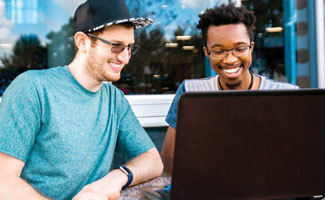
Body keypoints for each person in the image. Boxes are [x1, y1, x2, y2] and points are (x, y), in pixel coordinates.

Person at [0, 0, 163, 199]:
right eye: (116, 46)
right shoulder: (32, 89)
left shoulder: (115, 100)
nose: (125, 58)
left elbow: (153, 160)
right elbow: (3, 181)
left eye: (129, 47)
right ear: (82, 42)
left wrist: (114, 179)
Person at [160, 3, 299, 175]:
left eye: (240, 48)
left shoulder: (286, 95)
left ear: (251, 48)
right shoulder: (190, 91)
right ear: (206, 52)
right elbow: (168, 159)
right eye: (218, 51)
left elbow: (299, 159)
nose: (230, 59)